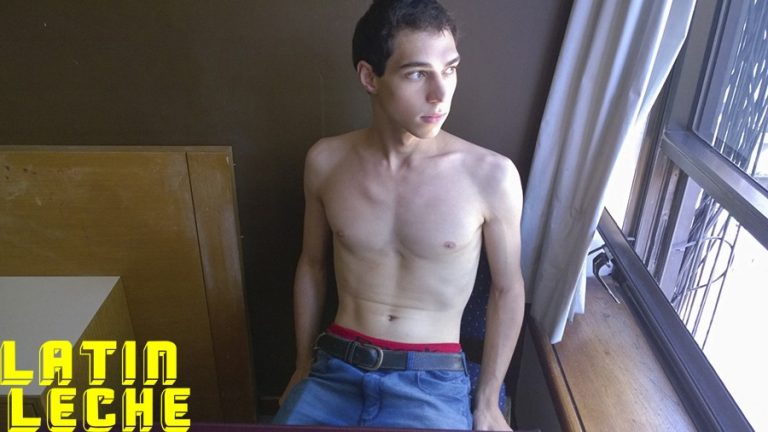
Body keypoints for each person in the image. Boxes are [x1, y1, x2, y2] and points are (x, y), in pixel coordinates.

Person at [273, 0, 524, 430]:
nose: (440, 94)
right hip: (335, 369)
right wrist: (301, 367)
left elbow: (508, 289)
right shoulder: (326, 162)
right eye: (417, 74)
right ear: (370, 77)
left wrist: (487, 402)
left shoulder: (490, 176)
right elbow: (312, 266)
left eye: (450, 69)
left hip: (432, 382)